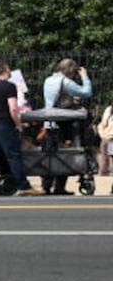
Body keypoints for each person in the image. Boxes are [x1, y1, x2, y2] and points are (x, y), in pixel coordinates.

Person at [0, 63, 42, 197]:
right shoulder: (9, 86)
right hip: (5, 124)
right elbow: (13, 108)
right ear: (4, 71)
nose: (10, 73)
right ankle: (23, 185)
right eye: (8, 70)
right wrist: (18, 124)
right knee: (13, 156)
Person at [41, 58, 93, 195]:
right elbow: (87, 92)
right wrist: (85, 77)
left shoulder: (48, 80)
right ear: (70, 70)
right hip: (63, 123)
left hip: (49, 121)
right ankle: (59, 186)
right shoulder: (65, 81)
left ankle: (46, 185)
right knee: (65, 154)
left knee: (49, 154)